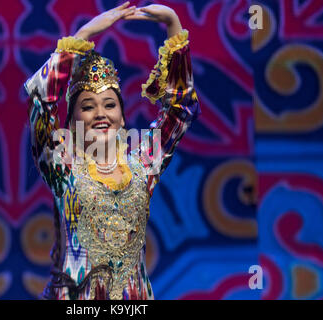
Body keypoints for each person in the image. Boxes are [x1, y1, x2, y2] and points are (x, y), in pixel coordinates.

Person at [23, 2, 200, 300]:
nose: (100, 114)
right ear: (73, 120)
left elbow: (180, 110)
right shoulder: (62, 166)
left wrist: (173, 25)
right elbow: (40, 100)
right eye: (87, 107)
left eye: (109, 105)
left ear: (121, 117)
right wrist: (82, 36)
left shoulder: (142, 164)